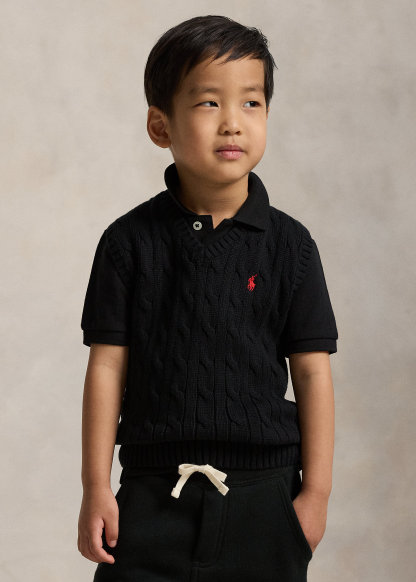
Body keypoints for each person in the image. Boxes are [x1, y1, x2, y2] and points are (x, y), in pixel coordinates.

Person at [77, 14, 338, 582]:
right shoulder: (127, 243)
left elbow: (312, 373)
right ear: (160, 125)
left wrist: (315, 495)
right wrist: (96, 486)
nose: (232, 123)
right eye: (208, 103)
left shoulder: (291, 246)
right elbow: (106, 367)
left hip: (265, 496)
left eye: (251, 103)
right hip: (151, 495)